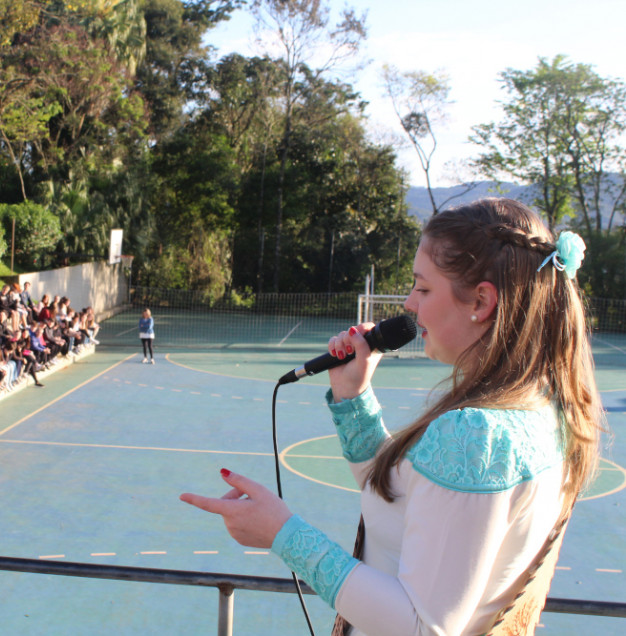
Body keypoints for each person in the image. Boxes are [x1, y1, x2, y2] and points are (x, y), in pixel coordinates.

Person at [180, 199, 603, 635]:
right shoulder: (543, 408)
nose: (409, 303)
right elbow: (401, 498)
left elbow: (420, 627)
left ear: (481, 300)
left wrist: (283, 534)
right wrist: (352, 395)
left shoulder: (478, 433)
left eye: (423, 288)